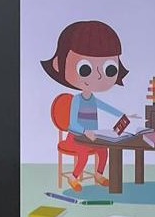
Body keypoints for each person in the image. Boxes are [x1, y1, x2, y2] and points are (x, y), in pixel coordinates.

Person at [42, 20, 131, 191]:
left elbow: (107, 108)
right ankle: (73, 178)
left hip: (92, 137)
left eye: (109, 69)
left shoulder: (93, 100)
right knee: (83, 154)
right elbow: (72, 124)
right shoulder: (77, 99)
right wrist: (85, 132)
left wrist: (123, 114)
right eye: (85, 69)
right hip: (75, 138)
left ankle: (99, 175)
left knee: (103, 151)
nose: (98, 76)